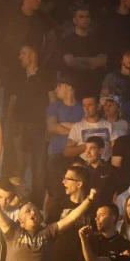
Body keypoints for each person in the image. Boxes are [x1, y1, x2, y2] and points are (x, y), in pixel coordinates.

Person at [6, 44, 56, 206]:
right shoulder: (18, 76)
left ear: (33, 56)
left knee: (38, 168)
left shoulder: (46, 76)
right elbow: (12, 101)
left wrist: (51, 124)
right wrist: (8, 124)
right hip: (19, 126)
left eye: (23, 54)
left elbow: (52, 101)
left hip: (39, 127)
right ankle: (17, 203)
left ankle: (37, 205)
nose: (19, 57)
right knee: (19, 166)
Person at [47, 165, 94, 261]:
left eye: (67, 179)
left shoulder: (93, 207)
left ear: (79, 184)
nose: (63, 182)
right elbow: (49, 230)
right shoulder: (59, 204)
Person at [44, 76, 83, 206]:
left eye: (59, 86)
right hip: (56, 156)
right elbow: (52, 128)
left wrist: (62, 124)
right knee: (54, 193)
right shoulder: (53, 107)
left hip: (75, 156)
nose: (56, 89)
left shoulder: (82, 108)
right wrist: (76, 128)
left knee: (75, 193)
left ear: (69, 87)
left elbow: (84, 130)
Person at [58, 7, 108, 97]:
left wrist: (79, 59)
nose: (85, 19)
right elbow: (70, 62)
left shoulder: (96, 40)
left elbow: (103, 61)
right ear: (74, 20)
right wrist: (92, 64)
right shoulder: (67, 40)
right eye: (81, 17)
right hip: (74, 86)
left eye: (87, 16)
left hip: (93, 85)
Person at [63, 93, 116, 163]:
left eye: (90, 105)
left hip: (104, 164)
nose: (86, 108)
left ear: (98, 106)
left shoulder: (109, 125)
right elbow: (67, 152)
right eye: (84, 105)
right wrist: (89, 146)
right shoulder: (77, 126)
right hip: (85, 165)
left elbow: (115, 148)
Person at [100, 48, 130, 122]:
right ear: (121, 59)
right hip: (115, 120)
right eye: (128, 55)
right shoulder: (112, 77)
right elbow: (103, 99)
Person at [83, 137, 117, 210]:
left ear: (101, 151)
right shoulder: (82, 171)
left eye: (92, 148)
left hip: (106, 211)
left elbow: (117, 191)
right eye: (86, 148)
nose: (87, 152)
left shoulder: (111, 170)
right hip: (86, 210)